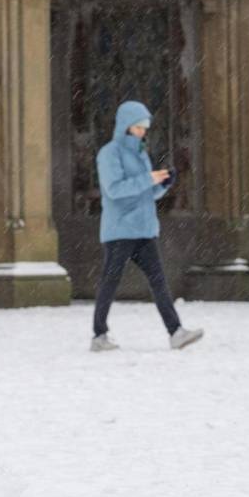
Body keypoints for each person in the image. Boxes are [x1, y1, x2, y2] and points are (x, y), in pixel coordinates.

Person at [91, 100, 204, 352]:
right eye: (138, 126)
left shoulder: (140, 154)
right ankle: (99, 335)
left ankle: (176, 332)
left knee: (158, 281)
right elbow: (114, 189)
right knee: (110, 281)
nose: (142, 131)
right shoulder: (109, 153)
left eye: (144, 127)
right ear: (125, 125)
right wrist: (148, 179)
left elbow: (144, 194)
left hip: (144, 229)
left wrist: (162, 186)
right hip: (120, 230)